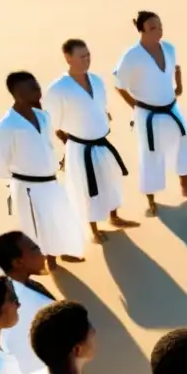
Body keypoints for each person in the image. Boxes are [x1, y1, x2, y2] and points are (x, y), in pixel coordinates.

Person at [113, 11, 187, 214]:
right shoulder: (132, 56)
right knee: (150, 154)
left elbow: (175, 69)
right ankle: (151, 200)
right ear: (141, 30)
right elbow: (119, 84)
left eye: (160, 26)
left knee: (184, 144)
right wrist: (135, 106)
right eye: (152, 27)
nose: (158, 31)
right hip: (147, 115)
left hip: (171, 108)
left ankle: (186, 187)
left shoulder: (169, 48)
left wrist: (179, 87)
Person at [43, 38, 137, 244]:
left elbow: (102, 107)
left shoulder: (96, 80)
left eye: (88, 56)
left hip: (102, 142)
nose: (86, 60)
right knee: (86, 189)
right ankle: (93, 230)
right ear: (68, 58)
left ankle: (114, 217)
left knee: (111, 179)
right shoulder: (58, 88)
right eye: (81, 56)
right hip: (78, 146)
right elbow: (53, 123)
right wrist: (69, 145)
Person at [0, 71, 87, 268]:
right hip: (28, 185)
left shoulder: (43, 117)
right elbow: (0, 165)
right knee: (37, 227)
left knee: (59, 218)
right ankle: (46, 262)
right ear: (17, 93)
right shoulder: (6, 127)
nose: (38, 91)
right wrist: (23, 177)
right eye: (32, 88)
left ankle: (59, 253)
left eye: (37, 86)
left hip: (50, 180)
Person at [0, 231, 55, 374]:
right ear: (18, 262)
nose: (42, 253)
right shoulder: (22, 303)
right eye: (35, 249)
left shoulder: (20, 287)